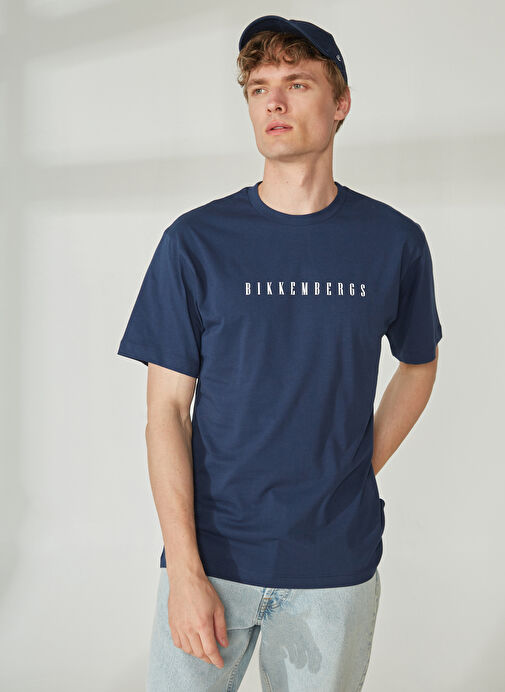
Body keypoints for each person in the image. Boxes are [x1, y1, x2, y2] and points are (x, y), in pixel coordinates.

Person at [117, 14, 443, 692]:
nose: (273, 102)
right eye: (258, 87)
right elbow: (166, 413)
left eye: (296, 83)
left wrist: (357, 465)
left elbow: (419, 362)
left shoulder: (394, 242)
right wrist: (184, 571)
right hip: (213, 557)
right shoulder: (195, 242)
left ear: (340, 103)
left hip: (334, 563)